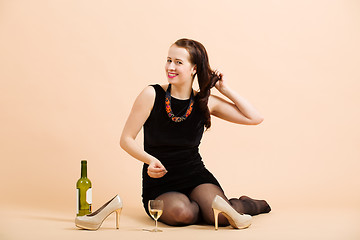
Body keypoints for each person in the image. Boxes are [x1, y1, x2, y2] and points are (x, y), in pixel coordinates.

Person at [120, 38, 271, 228]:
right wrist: (148, 159)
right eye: (169, 60)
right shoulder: (151, 94)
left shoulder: (204, 102)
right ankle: (207, 207)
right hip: (160, 183)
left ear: (194, 69)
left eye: (178, 62)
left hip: (195, 176)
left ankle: (247, 204)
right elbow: (126, 139)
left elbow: (254, 118)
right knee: (184, 214)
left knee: (222, 218)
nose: (170, 67)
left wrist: (224, 89)